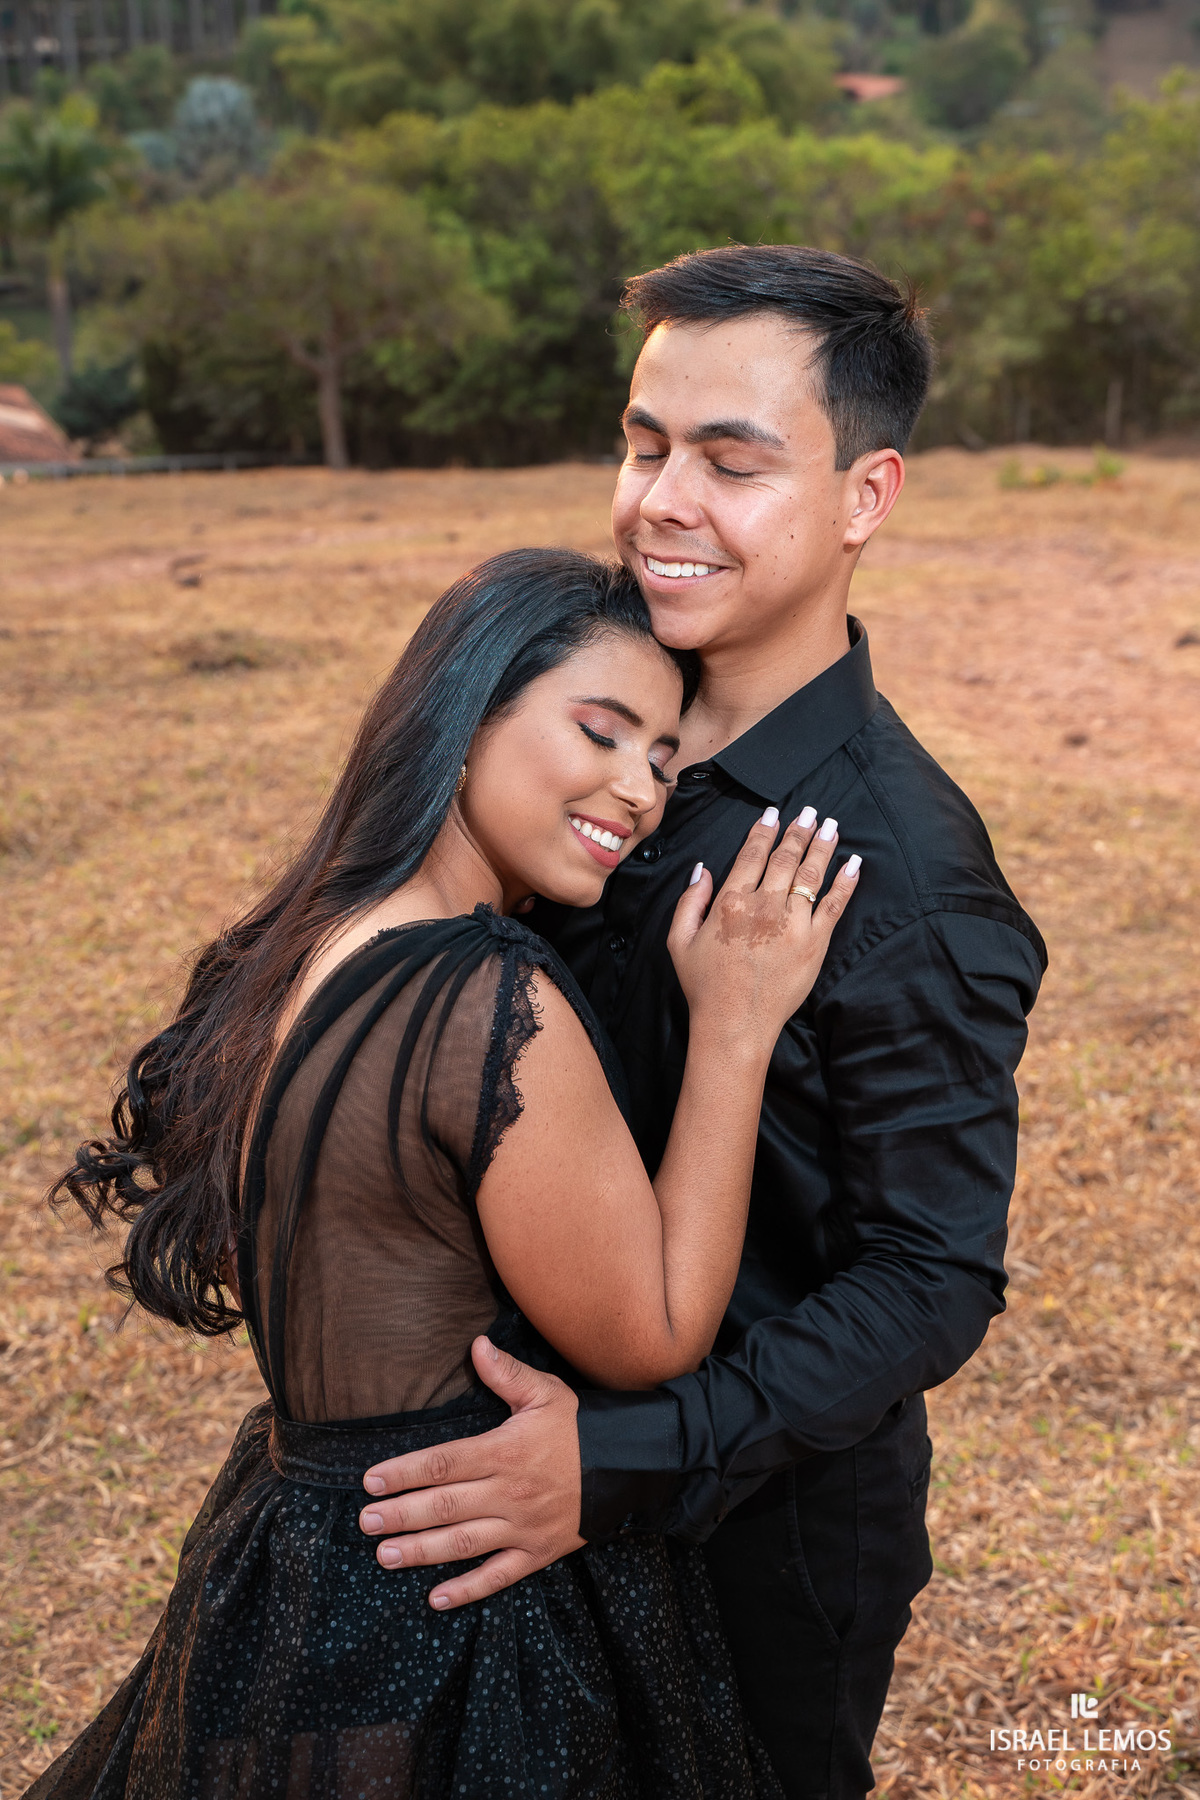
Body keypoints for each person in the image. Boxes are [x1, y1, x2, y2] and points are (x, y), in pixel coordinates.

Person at [354, 248, 1048, 1800]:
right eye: (644, 442)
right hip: (496, 1466)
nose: (663, 499)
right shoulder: (584, 716)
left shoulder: (905, 872)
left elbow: (931, 1275)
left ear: (865, 496)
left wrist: (609, 1464)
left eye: (733, 463)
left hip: (753, 1544)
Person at [29, 548, 862, 1800]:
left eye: (664, 759)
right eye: (602, 729)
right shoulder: (482, 995)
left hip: (292, 1551)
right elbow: (655, 1333)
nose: (638, 788)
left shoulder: (310, 940)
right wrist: (735, 1027)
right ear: (466, 712)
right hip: (458, 1591)